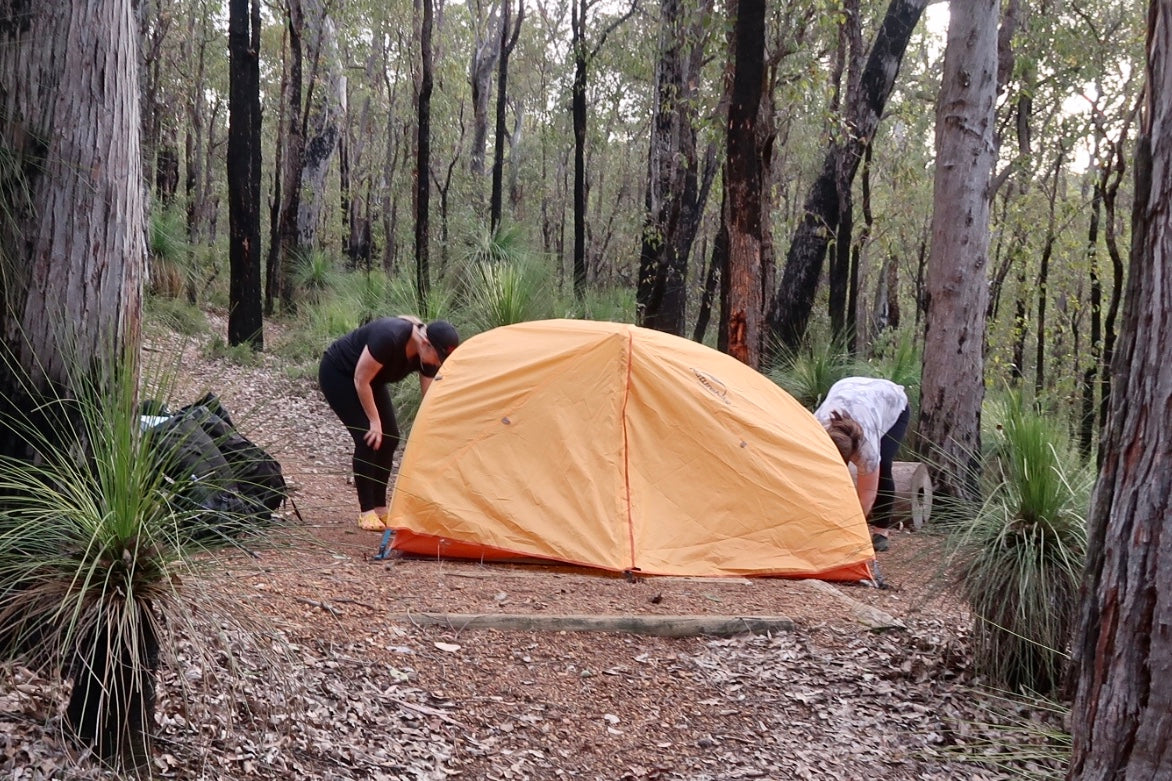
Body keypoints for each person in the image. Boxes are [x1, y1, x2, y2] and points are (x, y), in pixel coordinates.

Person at [318, 315, 459, 531]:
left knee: (390, 438)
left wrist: (439, 427)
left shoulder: (428, 355)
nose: (439, 363)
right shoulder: (390, 337)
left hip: (372, 380)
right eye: (439, 357)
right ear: (425, 343)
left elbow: (428, 398)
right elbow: (360, 379)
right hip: (340, 374)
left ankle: (380, 508)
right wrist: (374, 421)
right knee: (369, 436)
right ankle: (366, 512)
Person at [814, 377, 910, 552]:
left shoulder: (867, 448)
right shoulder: (816, 428)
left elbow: (867, 496)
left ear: (854, 451)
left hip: (891, 401)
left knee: (884, 466)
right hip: (849, 388)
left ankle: (881, 531)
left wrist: (850, 532)